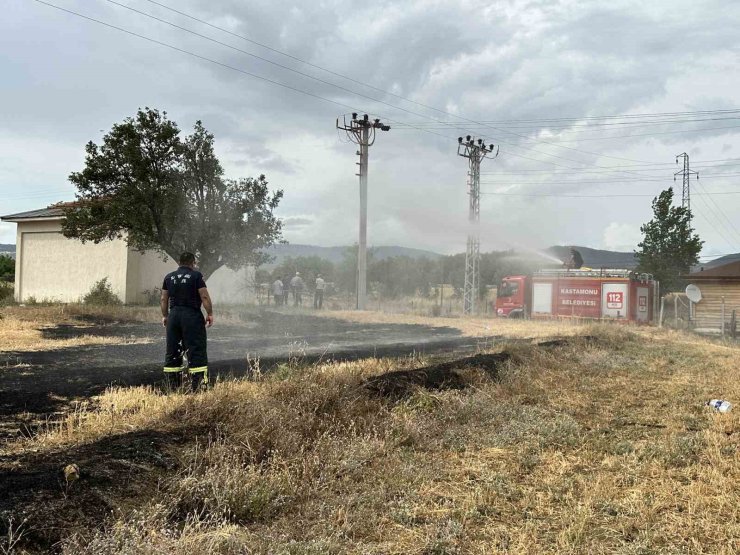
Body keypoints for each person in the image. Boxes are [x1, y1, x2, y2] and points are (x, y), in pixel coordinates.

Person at [160, 252, 213, 391]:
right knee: (196, 349)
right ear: (193, 263)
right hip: (192, 316)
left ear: (179, 261)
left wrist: (165, 316)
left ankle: (172, 387)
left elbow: (163, 299)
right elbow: (204, 297)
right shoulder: (196, 276)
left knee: (173, 350)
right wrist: (210, 313)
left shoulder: (169, 277)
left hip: (174, 315)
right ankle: (199, 386)